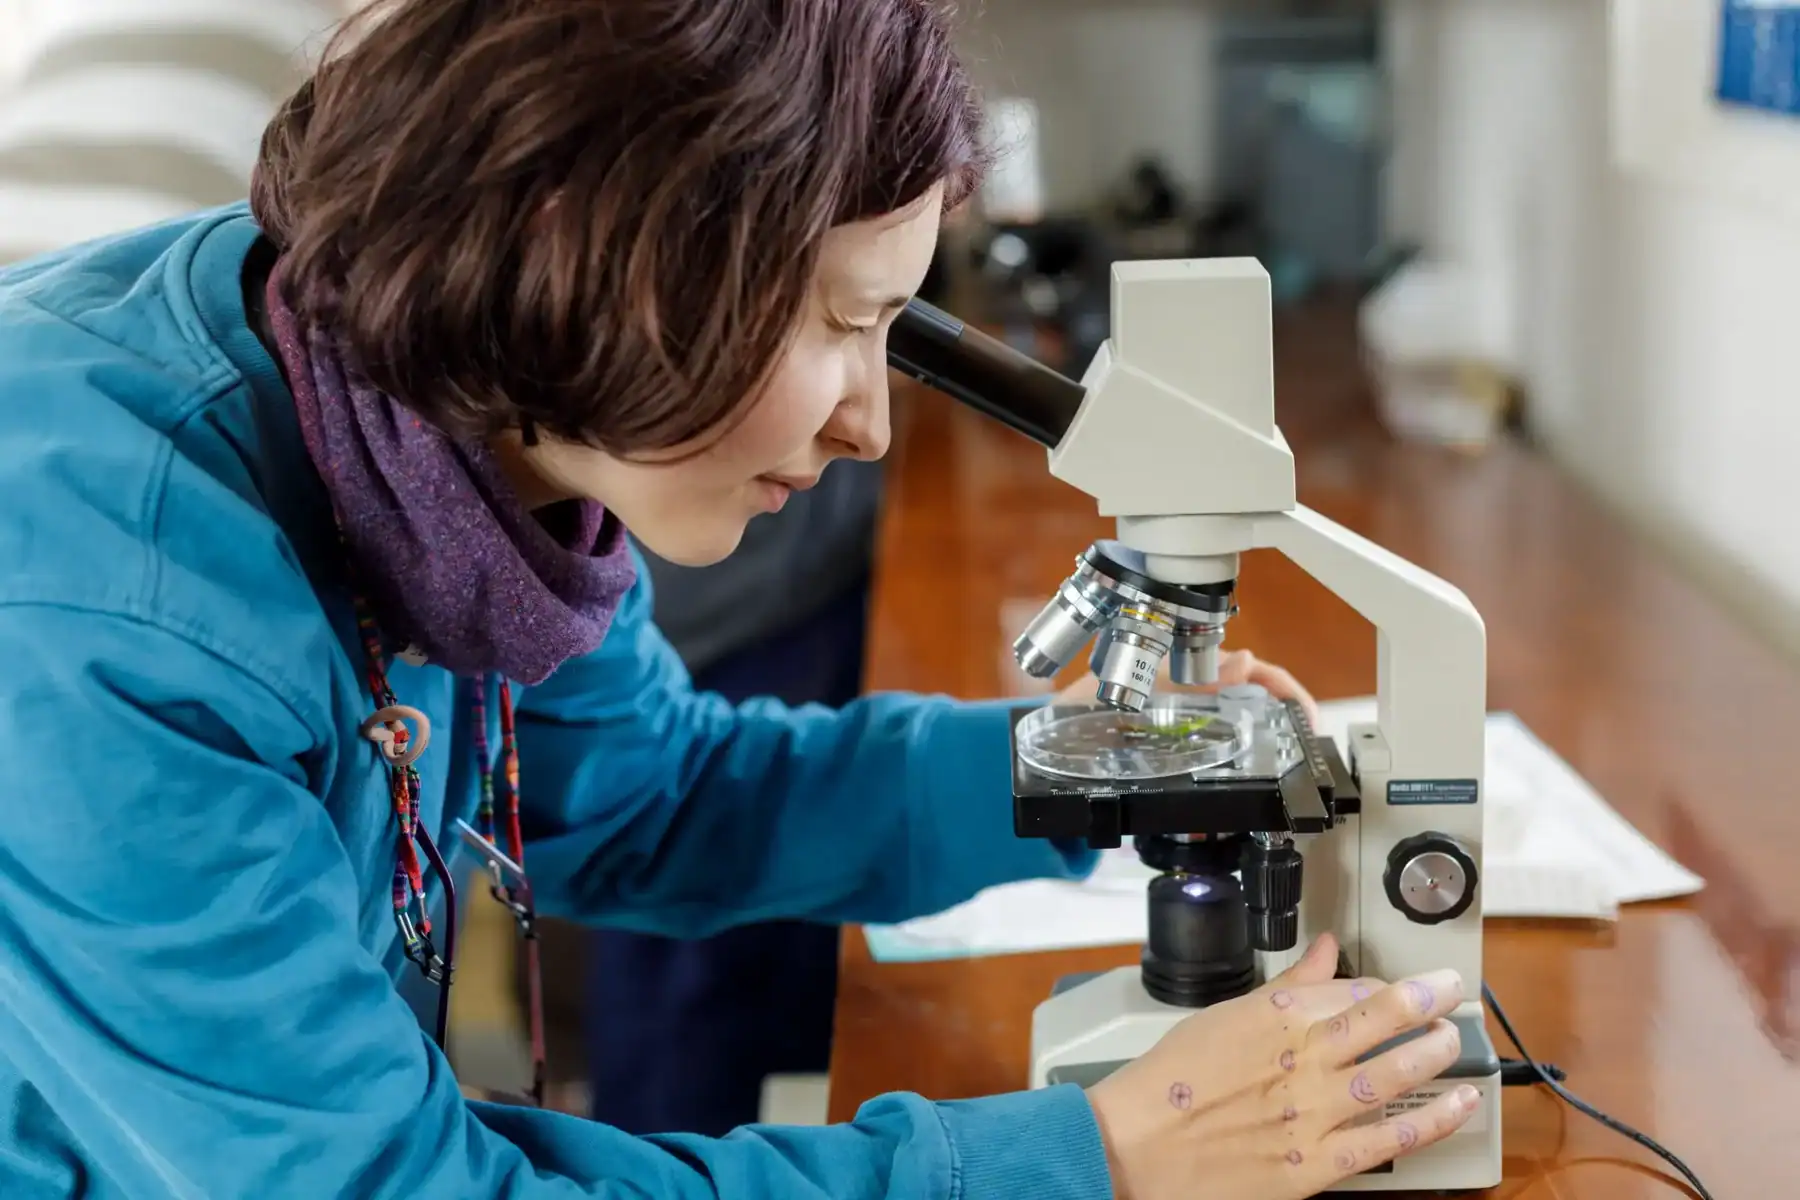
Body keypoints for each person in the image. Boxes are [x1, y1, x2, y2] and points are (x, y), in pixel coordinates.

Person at [0, 2, 1480, 1197]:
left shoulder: (462, 394)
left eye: (890, 328)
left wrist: (1078, 765)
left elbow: (650, 798)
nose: (870, 427)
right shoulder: (101, 618)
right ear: (603, 252)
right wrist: (1097, 1159)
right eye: (837, 322)